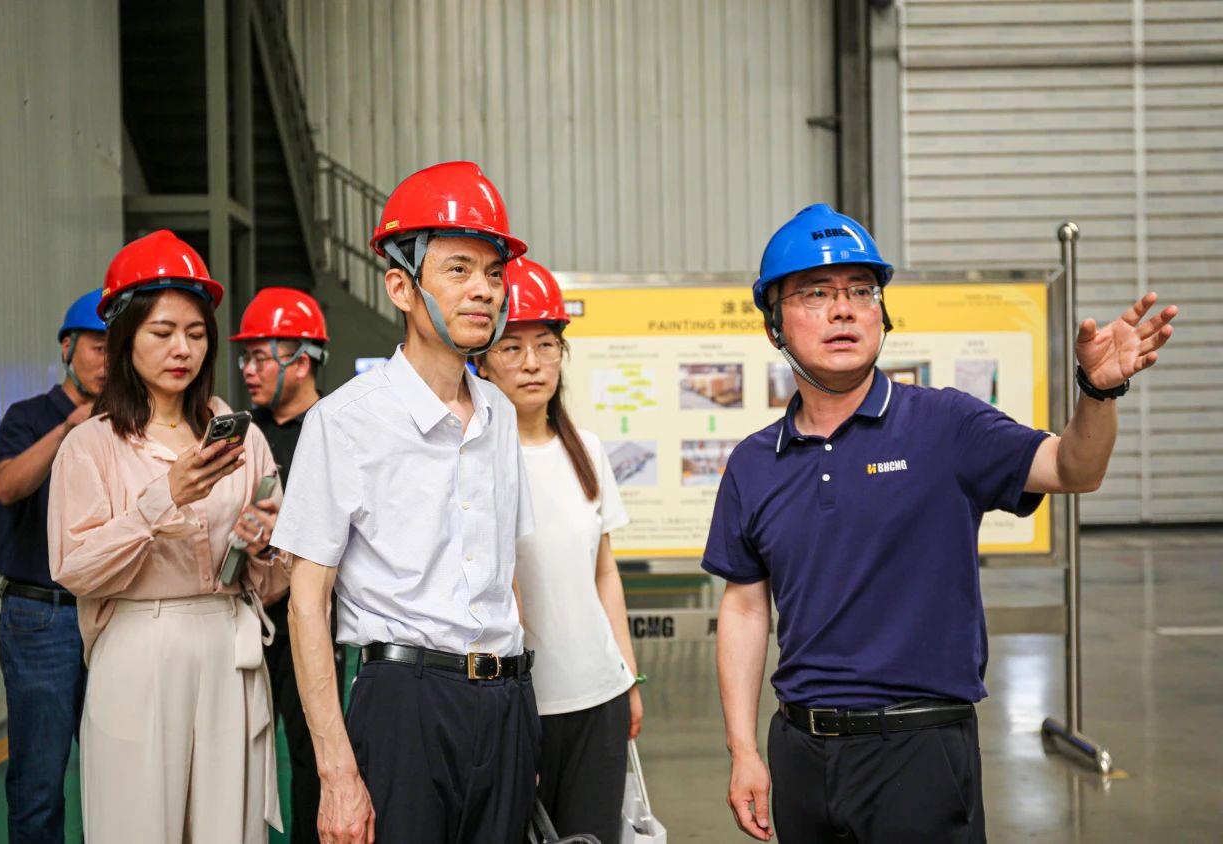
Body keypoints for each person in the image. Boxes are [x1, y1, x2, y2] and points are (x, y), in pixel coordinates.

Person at [706, 204, 1179, 843]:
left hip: (919, 748)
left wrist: (1096, 393)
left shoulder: (945, 425)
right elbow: (744, 607)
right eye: (816, 293)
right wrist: (743, 749)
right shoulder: (754, 462)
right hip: (800, 750)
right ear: (773, 325)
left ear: (881, 314)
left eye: (861, 291)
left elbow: (1074, 468)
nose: (843, 310)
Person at [272, 161, 539, 844]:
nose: (483, 290)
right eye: (458, 269)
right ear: (401, 286)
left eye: (493, 272)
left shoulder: (501, 414)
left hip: (507, 701)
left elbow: (505, 573)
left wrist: (520, 720)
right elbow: (307, 602)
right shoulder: (345, 422)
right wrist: (336, 773)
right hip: (405, 706)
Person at [48, 230, 291, 842]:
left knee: (226, 825)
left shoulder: (242, 436)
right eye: (162, 332)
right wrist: (164, 498)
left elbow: (271, 580)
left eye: (196, 333)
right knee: (137, 821)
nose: (182, 348)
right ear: (125, 337)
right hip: (139, 643)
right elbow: (75, 568)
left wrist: (264, 546)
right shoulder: (92, 445)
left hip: (229, 642)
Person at [476, 257, 643, 844]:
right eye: (512, 347)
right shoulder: (476, 462)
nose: (532, 363)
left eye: (546, 345)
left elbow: (604, 573)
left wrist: (628, 676)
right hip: (519, 703)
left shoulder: (587, 450)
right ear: (482, 361)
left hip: (599, 696)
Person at [0, 289, 106, 844]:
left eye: (119, 348)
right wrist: (68, 430)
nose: (109, 360)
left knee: (117, 773)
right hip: (42, 617)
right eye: (97, 347)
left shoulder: (122, 426)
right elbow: (7, 486)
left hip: (107, 613)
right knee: (39, 782)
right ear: (67, 348)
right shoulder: (29, 417)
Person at [233, 285, 340, 844]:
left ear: (301, 362)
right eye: (245, 358)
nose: (248, 371)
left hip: (314, 621)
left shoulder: (339, 430)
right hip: (245, 619)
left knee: (311, 755)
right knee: (238, 752)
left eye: (260, 357)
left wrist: (290, 532)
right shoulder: (241, 435)